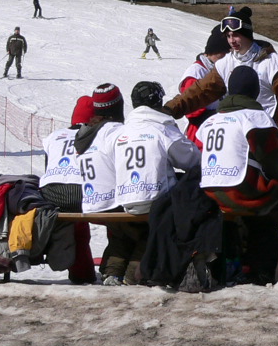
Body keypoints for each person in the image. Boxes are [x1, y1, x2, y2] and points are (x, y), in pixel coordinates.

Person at [197, 67, 278, 284]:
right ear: (255, 91)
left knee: (268, 209)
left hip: (212, 193)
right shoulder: (255, 117)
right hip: (243, 192)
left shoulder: (211, 121)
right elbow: (271, 160)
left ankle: (262, 266)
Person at [165, 7, 278, 163]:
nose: (231, 41)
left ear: (247, 34)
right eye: (228, 36)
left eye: (236, 35)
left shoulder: (273, 64)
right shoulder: (226, 63)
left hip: (265, 139)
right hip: (235, 139)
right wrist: (170, 108)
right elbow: (200, 92)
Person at [106, 82, 201, 284]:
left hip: (125, 200)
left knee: (129, 229)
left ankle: (115, 270)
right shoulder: (162, 129)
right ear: (157, 102)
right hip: (157, 201)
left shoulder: (119, 133)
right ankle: (136, 272)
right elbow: (191, 160)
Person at [38, 95, 98, 284]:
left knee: (72, 222)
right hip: (80, 192)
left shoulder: (54, 136)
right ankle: (84, 272)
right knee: (81, 225)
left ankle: (79, 269)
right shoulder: (95, 135)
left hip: (50, 192)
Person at [73, 84, 128, 284]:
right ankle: (121, 271)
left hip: (90, 202)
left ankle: (112, 270)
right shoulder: (116, 132)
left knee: (123, 228)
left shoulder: (87, 134)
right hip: (111, 204)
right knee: (143, 220)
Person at [178, 26, 230, 146]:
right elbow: (192, 110)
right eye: (224, 52)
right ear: (214, 51)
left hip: (218, 133)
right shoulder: (196, 72)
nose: (227, 56)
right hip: (199, 135)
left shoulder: (220, 69)